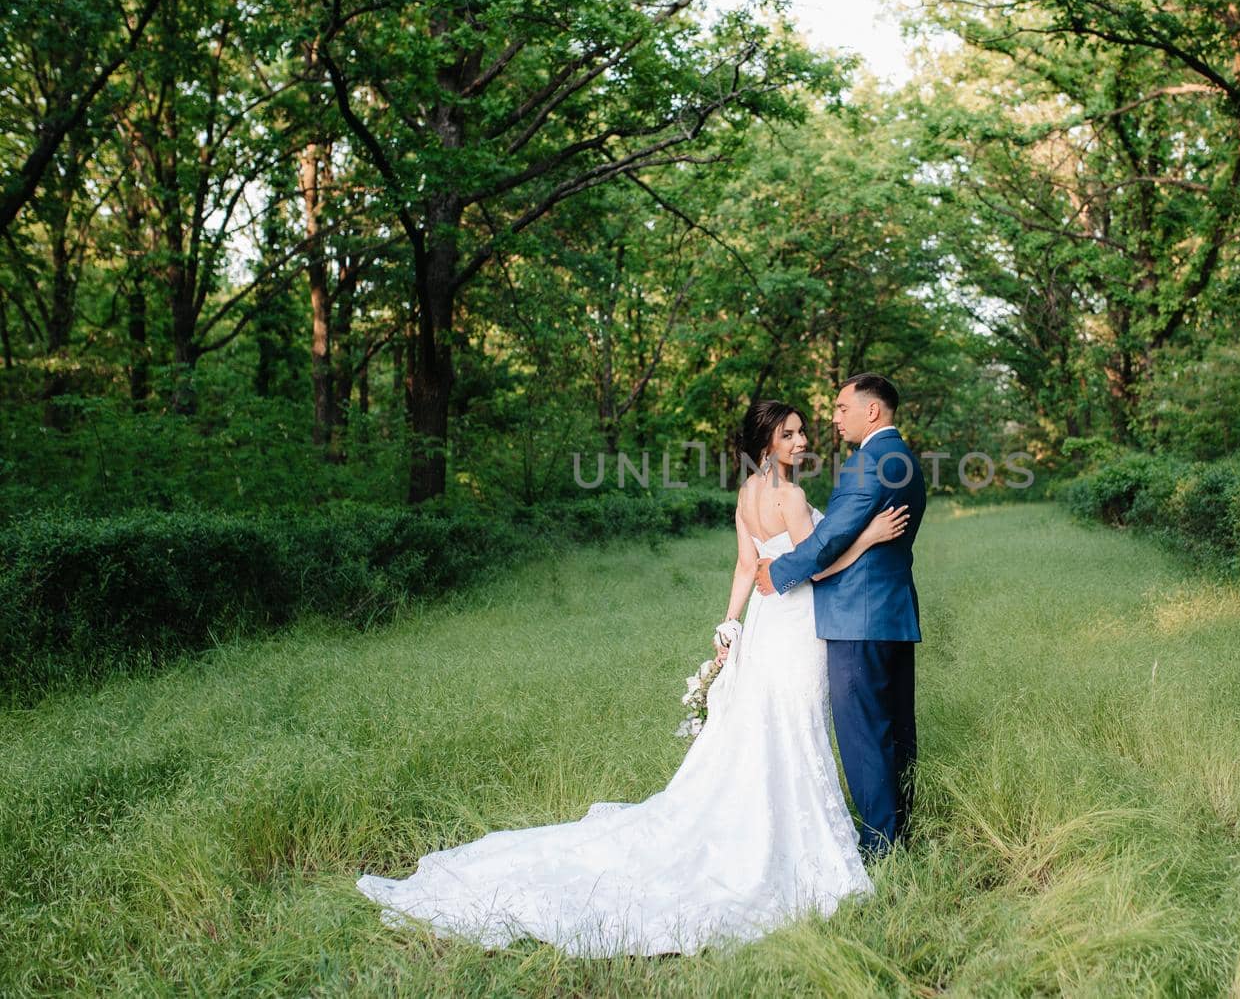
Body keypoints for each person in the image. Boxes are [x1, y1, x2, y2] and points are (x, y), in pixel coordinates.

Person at [355, 400, 912, 957]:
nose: (803, 440)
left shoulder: (746, 494)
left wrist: (729, 623)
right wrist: (869, 538)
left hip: (766, 623)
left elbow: (747, 566)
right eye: (789, 435)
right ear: (767, 443)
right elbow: (813, 564)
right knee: (794, 725)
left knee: (770, 726)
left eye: (802, 432)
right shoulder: (788, 496)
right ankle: (792, 840)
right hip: (794, 625)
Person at [755, 372, 926, 858]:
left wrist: (780, 571)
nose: (833, 418)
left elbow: (831, 541)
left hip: (857, 616)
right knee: (895, 731)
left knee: (865, 735)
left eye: (840, 407)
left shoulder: (865, 465)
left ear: (871, 410)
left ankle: (881, 847)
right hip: (893, 612)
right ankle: (900, 830)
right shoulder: (907, 461)